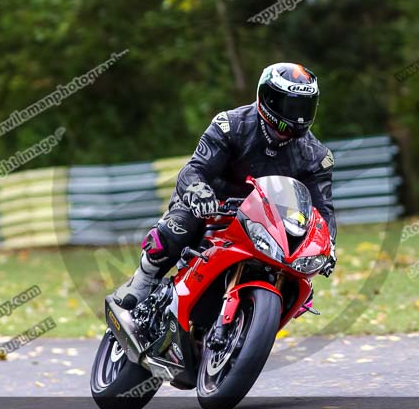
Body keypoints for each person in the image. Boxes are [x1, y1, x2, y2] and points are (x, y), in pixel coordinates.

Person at [114, 62, 337, 310]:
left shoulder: (316, 156)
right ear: (268, 99)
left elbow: (322, 210)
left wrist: (328, 247)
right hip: (213, 208)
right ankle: (143, 279)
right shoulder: (231, 125)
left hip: (268, 224)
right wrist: (199, 192)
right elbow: (194, 169)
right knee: (179, 225)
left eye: (304, 107)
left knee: (301, 285)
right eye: (290, 105)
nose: (297, 116)